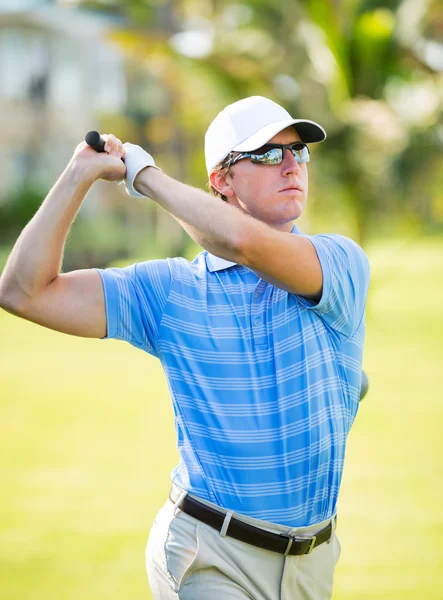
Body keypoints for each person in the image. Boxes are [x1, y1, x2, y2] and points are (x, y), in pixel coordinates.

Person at [0, 96, 370, 599]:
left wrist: (143, 174)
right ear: (221, 181)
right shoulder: (170, 291)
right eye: (266, 154)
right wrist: (79, 174)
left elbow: (244, 244)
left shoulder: (341, 262)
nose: (291, 165)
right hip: (208, 554)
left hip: (312, 562)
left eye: (298, 152)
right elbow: (23, 291)